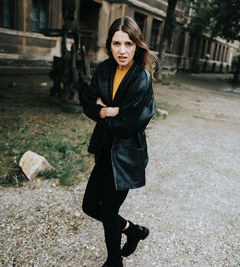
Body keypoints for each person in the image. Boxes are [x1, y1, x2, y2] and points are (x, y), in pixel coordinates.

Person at [81, 16, 156, 267]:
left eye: (128, 43)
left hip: (124, 157)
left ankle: (114, 262)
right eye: (116, 43)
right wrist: (106, 111)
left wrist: (109, 112)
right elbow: (87, 103)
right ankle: (133, 230)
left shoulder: (140, 78)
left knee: (108, 211)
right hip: (104, 150)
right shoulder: (104, 69)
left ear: (137, 46)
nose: (122, 50)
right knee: (90, 206)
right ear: (109, 45)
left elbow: (128, 124)